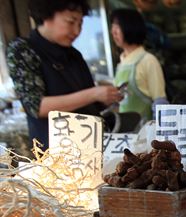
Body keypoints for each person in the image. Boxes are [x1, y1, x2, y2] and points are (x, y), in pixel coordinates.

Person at [6, 0, 123, 150]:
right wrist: (94, 94)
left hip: (92, 145)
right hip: (56, 153)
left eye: (80, 24)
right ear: (47, 15)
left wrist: (106, 98)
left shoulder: (74, 55)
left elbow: (87, 101)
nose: (76, 31)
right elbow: (37, 106)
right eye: (71, 22)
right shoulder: (22, 49)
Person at [110, 9, 167, 121]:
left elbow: (160, 102)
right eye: (112, 27)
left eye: (117, 27)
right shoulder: (122, 62)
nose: (113, 32)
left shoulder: (148, 60)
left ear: (131, 27)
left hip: (145, 132)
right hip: (126, 133)